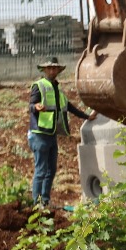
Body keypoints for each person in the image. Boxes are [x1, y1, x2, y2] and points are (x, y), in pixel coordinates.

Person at [26, 57, 94, 208]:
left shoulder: (57, 89)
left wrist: (87, 116)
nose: (52, 71)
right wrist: (36, 107)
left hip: (51, 134)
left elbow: (68, 106)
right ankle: (36, 204)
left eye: (55, 68)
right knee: (41, 170)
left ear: (58, 70)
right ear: (44, 70)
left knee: (51, 170)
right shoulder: (39, 86)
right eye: (49, 68)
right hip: (39, 134)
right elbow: (31, 105)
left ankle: (45, 200)